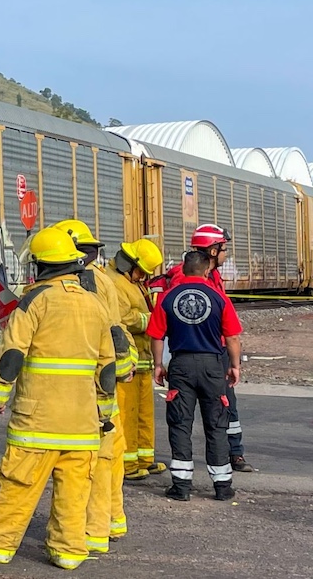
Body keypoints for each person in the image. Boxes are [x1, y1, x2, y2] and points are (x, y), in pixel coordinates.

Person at [0, 227, 115, 571]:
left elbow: (12, 353)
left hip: (38, 422)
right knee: (74, 494)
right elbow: (107, 370)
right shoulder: (95, 305)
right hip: (84, 425)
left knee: (16, 483)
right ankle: (68, 551)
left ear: (41, 266)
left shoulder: (34, 301)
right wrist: (104, 413)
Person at [50, 219, 133, 554]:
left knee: (91, 463)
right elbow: (115, 331)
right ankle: (108, 525)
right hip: (106, 382)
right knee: (108, 457)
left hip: (86, 389)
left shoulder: (80, 283)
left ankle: (91, 531)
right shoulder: (102, 279)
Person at [149, 224, 251, 473]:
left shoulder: (206, 275)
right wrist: (234, 363)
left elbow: (157, 328)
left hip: (193, 356)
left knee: (198, 415)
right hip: (206, 356)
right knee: (214, 413)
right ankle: (227, 463)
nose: (226, 254)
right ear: (213, 251)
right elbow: (231, 331)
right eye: (224, 249)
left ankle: (230, 455)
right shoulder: (193, 279)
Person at [110, 239, 166, 485]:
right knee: (128, 415)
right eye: (142, 271)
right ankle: (128, 463)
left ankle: (145, 458)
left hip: (142, 360)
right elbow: (122, 317)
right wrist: (150, 320)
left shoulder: (131, 282)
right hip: (128, 363)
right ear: (128, 264)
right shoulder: (114, 283)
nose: (144, 276)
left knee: (144, 413)